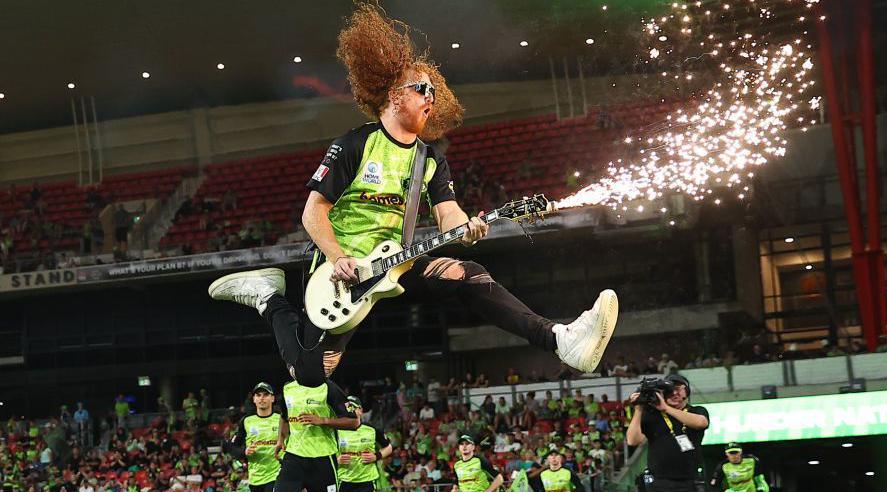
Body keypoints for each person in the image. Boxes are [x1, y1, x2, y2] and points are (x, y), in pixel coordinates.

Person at [207, 3, 619, 392]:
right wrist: (337, 257)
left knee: (468, 271)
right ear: (393, 96)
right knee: (311, 375)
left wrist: (469, 228)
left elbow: (449, 217)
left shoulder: (431, 159)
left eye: (434, 92)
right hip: (341, 269)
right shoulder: (355, 144)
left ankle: (561, 339)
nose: (430, 97)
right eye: (422, 88)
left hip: (395, 263)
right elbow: (313, 213)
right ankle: (269, 298)